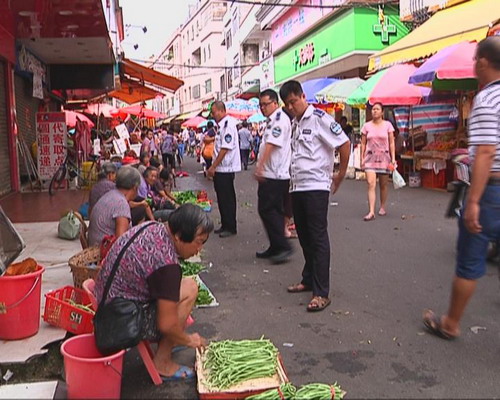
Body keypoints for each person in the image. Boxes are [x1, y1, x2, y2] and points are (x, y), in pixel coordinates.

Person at [423, 36, 500, 340]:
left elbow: (485, 152)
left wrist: (474, 201)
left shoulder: (487, 99)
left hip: (492, 189)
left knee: (470, 257)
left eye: (474, 60)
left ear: (482, 62)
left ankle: (451, 323)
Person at [95, 204, 212, 380]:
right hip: (120, 320)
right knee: (189, 290)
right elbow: (166, 324)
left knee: (186, 286)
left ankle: (170, 343)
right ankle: (162, 363)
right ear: (179, 236)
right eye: (198, 242)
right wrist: (189, 339)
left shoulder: (153, 227)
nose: (199, 249)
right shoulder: (166, 265)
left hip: (106, 299)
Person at [279, 80, 350, 312]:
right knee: (305, 236)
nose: (290, 107)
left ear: (302, 96)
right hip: (297, 186)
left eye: (293, 102)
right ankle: (308, 278)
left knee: (318, 237)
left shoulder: (320, 119)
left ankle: (322, 293)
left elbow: (344, 144)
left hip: (316, 186)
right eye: (286, 104)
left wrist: (339, 175)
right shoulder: (296, 123)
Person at [254, 89, 293, 264]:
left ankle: (283, 246)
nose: (263, 108)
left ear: (275, 104)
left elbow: (271, 144)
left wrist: (260, 167)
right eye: (260, 105)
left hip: (274, 175)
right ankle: (276, 246)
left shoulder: (279, 120)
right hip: (272, 173)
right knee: (270, 210)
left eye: (266, 104)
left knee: (269, 210)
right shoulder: (272, 121)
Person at [207, 101, 241, 238]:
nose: (213, 115)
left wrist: (213, 166)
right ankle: (225, 223)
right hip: (221, 169)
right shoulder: (221, 126)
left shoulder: (228, 125)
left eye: (214, 112)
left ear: (221, 111)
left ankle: (231, 226)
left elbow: (225, 148)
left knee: (227, 198)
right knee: (221, 198)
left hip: (225, 168)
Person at [360, 103, 396, 221]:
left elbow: (391, 142)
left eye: (377, 109)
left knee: (383, 184)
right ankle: (371, 211)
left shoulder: (388, 125)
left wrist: (393, 158)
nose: (374, 111)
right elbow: (363, 143)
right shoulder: (366, 126)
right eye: (373, 109)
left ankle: (382, 206)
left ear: (382, 112)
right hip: (370, 158)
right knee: (371, 183)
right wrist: (361, 158)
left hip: (384, 158)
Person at [88, 166, 141, 247]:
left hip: (96, 246)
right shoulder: (121, 204)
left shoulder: (111, 194)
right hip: (104, 252)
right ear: (135, 188)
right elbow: (121, 242)